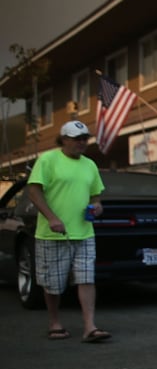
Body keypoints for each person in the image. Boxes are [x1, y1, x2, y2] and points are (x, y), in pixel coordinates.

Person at [26, 119, 110, 343]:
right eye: (77, 139)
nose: (82, 143)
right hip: (52, 234)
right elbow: (33, 192)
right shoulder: (48, 160)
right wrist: (52, 217)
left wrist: (97, 206)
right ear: (64, 139)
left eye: (85, 139)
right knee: (53, 283)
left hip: (84, 233)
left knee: (86, 279)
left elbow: (95, 195)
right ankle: (55, 323)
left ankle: (90, 327)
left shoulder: (89, 165)